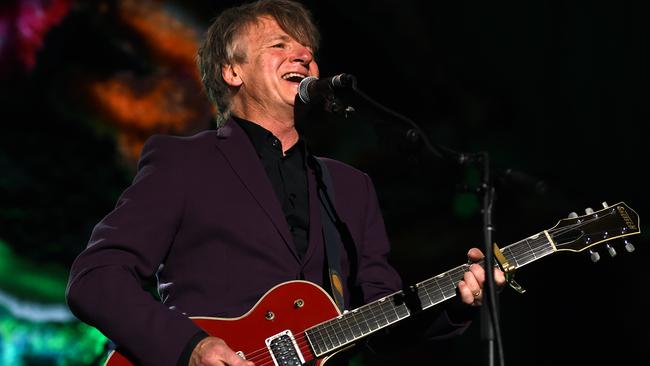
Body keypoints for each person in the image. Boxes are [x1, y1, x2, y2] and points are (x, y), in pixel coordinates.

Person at [65, 1, 505, 365]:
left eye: (309, 51)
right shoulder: (184, 162)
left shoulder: (350, 187)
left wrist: (452, 302)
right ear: (232, 72)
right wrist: (190, 347)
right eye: (280, 45)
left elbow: (380, 318)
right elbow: (96, 277)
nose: (304, 57)